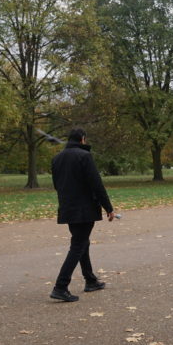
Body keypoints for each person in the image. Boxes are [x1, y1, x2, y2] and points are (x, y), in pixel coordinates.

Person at [50, 128, 114, 302]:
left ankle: (90, 280)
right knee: (78, 244)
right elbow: (96, 183)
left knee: (81, 242)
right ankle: (60, 286)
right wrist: (108, 206)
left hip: (68, 207)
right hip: (84, 208)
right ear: (83, 139)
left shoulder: (57, 159)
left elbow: (57, 184)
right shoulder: (84, 156)